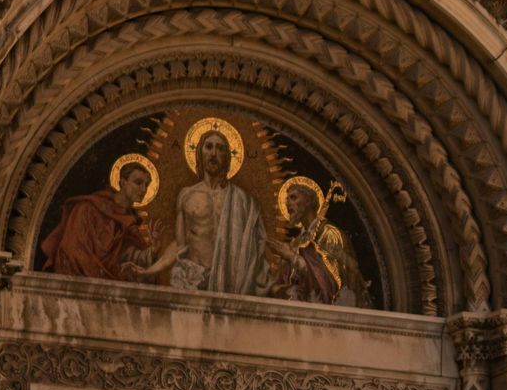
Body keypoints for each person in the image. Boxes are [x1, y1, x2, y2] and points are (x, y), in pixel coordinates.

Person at [141, 122, 270, 294]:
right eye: (208, 147)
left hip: (231, 283)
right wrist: (149, 270)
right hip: (192, 278)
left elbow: (257, 248)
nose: (214, 153)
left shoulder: (243, 201)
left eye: (220, 149)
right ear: (199, 152)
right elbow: (180, 245)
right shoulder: (187, 195)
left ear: (227, 157)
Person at [39, 153, 156, 281]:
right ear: (123, 182)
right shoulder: (89, 208)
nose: (144, 189)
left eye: (147, 184)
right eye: (138, 183)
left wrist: (154, 250)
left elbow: (132, 260)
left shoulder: (131, 224)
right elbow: (73, 250)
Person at [274, 176, 365, 306]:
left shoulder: (328, 233)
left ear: (308, 201)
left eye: (293, 198)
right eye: (286, 199)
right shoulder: (296, 242)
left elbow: (333, 282)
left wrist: (293, 258)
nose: (287, 203)